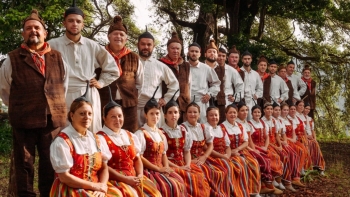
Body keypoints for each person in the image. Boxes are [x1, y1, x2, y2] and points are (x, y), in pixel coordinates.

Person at [0, 10, 67, 197]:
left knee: (50, 163)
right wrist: (22, 106)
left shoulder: (58, 57)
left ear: (45, 33)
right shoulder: (12, 59)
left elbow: (63, 85)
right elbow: (5, 90)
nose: (33, 31)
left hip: (51, 122)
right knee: (24, 165)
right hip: (24, 121)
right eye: (28, 28)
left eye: (37, 27)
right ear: (23, 34)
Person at [48, 1, 120, 133]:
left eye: (78, 21)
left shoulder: (92, 45)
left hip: (88, 92)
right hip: (62, 95)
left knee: (91, 132)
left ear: (83, 24)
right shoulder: (52, 45)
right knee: (64, 133)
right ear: (64, 23)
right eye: (70, 21)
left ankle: (93, 154)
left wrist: (101, 82)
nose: (74, 24)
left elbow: (113, 69)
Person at [50, 84, 123, 197]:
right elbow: (64, 177)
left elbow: (104, 168)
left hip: (96, 187)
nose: (87, 117)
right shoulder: (62, 141)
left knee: (119, 194)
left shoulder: (96, 139)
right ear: (72, 115)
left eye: (89, 114)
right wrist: (93, 186)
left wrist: (102, 186)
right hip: (71, 189)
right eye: (82, 114)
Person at [97, 87, 161, 197]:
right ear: (104, 118)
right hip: (115, 180)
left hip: (134, 177)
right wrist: (125, 179)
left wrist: (140, 175)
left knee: (155, 193)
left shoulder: (129, 134)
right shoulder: (100, 138)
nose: (117, 120)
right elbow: (104, 167)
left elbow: (137, 159)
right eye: (113, 117)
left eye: (120, 116)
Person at [134, 87, 188, 197]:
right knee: (167, 186)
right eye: (152, 114)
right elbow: (139, 157)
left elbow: (164, 154)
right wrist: (158, 169)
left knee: (180, 182)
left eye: (157, 113)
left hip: (161, 168)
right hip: (148, 171)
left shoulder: (160, 133)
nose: (155, 117)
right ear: (146, 115)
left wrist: (167, 168)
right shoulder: (141, 133)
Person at [160, 91, 211, 197]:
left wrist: (187, 165)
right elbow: (162, 157)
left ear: (179, 114)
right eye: (170, 112)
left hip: (183, 163)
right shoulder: (162, 132)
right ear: (165, 115)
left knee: (199, 176)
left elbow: (187, 151)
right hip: (169, 164)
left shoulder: (183, 130)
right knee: (187, 179)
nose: (173, 115)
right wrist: (179, 168)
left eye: (175, 112)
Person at [98, 15, 144, 132]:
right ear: (109, 37)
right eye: (115, 34)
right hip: (104, 103)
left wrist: (131, 96)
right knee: (106, 133)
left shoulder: (134, 57)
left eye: (121, 34)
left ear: (126, 38)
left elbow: (139, 83)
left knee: (130, 134)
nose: (118, 36)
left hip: (129, 105)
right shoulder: (100, 54)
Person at [182, 98, 230, 196]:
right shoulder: (183, 128)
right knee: (204, 173)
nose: (192, 114)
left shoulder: (203, 127)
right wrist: (190, 161)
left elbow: (210, 145)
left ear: (199, 114)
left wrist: (204, 157)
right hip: (188, 160)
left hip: (202, 158)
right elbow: (181, 150)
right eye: (190, 112)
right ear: (186, 114)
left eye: (195, 112)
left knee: (222, 170)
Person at [137, 28, 179, 127]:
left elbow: (175, 84)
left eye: (149, 45)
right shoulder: (132, 62)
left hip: (155, 109)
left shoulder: (160, 66)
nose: (146, 47)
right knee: (136, 137)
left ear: (153, 46)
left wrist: (166, 99)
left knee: (156, 138)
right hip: (136, 108)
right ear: (137, 45)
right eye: (143, 44)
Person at [220, 103, 261, 197]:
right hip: (228, 153)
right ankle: (241, 191)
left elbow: (246, 142)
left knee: (254, 162)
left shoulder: (240, 126)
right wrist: (232, 152)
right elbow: (223, 145)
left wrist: (238, 149)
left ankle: (254, 191)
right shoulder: (222, 127)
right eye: (230, 113)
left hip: (241, 151)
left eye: (234, 112)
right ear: (226, 114)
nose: (232, 115)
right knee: (240, 165)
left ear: (237, 114)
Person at [247, 102, 284, 195]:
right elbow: (249, 140)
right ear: (251, 114)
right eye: (255, 112)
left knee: (275, 156)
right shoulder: (249, 124)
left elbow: (267, 137)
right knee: (267, 159)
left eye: (258, 112)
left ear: (261, 113)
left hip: (263, 146)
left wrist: (265, 147)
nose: (257, 114)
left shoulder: (263, 123)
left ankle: (273, 181)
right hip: (254, 146)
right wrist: (258, 148)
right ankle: (267, 184)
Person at [159, 32, 191, 123]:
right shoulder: (160, 63)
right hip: (166, 102)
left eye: (178, 48)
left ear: (181, 49)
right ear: (168, 49)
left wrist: (188, 100)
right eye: (173, 48)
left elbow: (189, 84)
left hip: (183, 103)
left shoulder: (186, 65)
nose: (175, 51)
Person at [187, 39, 220, 123]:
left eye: (196, 51)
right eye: (192, 51)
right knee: (188, 128)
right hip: (187, 103)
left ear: (200, 54)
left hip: (202, 102)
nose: (194, 53)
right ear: (188, 53)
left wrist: (209, 94)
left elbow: (216, 83)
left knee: (203, 127)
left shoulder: (206, 68)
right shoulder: (184, 67)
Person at [278, 102, 305, 190]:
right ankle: (291, 177)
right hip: (285, 141)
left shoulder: (290, 120)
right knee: (293, 153)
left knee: (301, 150)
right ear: (281, 110)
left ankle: (297, 174)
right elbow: (281, 135)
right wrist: (289, 140)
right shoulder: (279, 120)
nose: (285, 112)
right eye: (284, 110)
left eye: (287, 110)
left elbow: (293, 133)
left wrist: (293, 139)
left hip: (290, 140)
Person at [216, 47, 244, 124]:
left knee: (226, 122)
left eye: (223, 56)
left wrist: (235, 97)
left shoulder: (231, 70)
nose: (221, 58)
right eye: (219, 55)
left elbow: (240, 85)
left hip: (227, 100)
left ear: (226, 57)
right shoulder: (211, 68)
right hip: (214, 100)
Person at [288, 101, 311, 174]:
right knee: (301, 149)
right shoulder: (288, 119)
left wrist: (305, 137)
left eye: (294, 109)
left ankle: (304, 167)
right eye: (291, 109)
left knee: (307, 144)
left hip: (298, 137)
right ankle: (299, 169)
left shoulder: (297, 118)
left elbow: (304, 129)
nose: (293, 111)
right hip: (292, 139)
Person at [240, 50, 263, 120]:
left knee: (253, 120)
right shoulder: (238, 72)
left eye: (248, 59)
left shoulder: (255, 74)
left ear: (251, 60)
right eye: (245, 59)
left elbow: (260, 87)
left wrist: (257, 94)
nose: (247, 61)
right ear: (242, 60)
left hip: (253, 100)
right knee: (243, 120)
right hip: (243, 100)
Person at [303, 102, 325, 174]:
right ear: (303, 108)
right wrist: (306, 136)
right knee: (308, 144)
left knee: (315, 144)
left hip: (310, 137)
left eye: (309, 109)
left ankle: (319, 167)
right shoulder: (299, 118)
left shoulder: (310, 119)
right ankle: (308, 167)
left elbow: (313, 130)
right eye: (306, 108)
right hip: (304, 137)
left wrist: (315, 138)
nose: (307, 110)